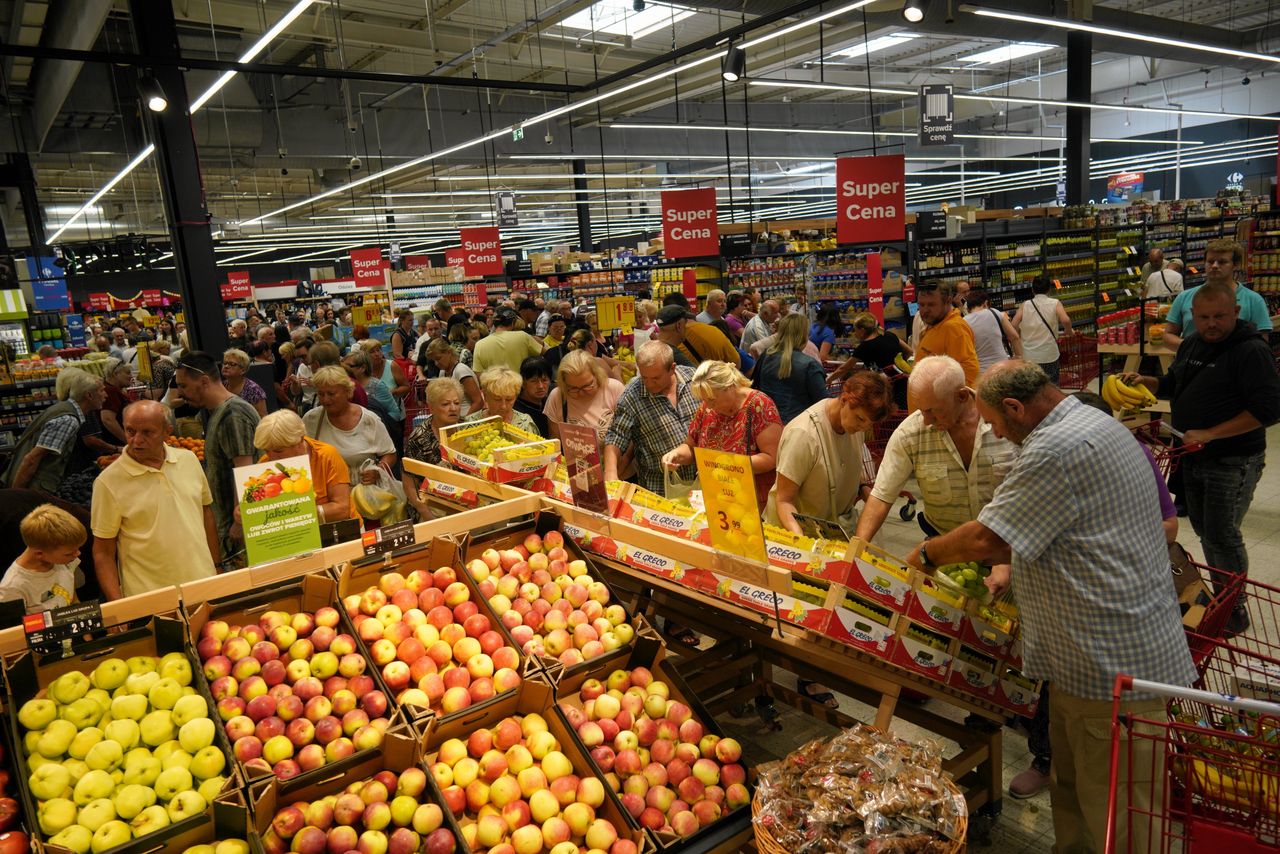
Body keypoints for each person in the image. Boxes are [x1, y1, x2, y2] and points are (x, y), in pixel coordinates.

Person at [906, 361, 1196, 853]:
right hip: (1082, 663)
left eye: (996, 422)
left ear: (1017, 408)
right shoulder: (1092, 422)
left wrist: (927, 554)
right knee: (1076, 792)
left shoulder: (1056, 449)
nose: (995, 431)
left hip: (1111, 666)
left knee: (1117, 809)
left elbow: (989, 537)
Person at [1125, 281, 1280, 635]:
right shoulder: (1192, 343)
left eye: (1220, 316)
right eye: (1204, 317)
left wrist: (1210, 434)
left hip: (1233, 460)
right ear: (1192, 316)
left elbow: (1269, 409)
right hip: (1192, 457)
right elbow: (1173, 384)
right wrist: (1145, 381)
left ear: (1236, 312)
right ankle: (1218, 599)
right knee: (1204, 531)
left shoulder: (1250, 351)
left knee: (1222, 536)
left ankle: (1235, 609)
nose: (1212, 323)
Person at [856, 355, 1019, 568]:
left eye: (932, 410)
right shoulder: (910, 433)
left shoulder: (1009, 423)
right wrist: (857, 549)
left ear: (961, 396)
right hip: (946, 555)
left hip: (1010, 553)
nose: (926, 420)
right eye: (921, 410)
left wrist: (1006, 561)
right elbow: (881, 497)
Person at [91, 400, 218, 599]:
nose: (136, 440)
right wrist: (119, 606)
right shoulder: (108, 482)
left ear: (167, 432)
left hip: (203, 585)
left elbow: (206, 514)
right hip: (150, 598)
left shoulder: (188, 460)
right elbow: (103, 552)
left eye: (147, 432)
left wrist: (217, 568)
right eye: (130, 431)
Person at [766, 370, 891, 535]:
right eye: (860, 419)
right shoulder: (803, 434)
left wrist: (865, 490)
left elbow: (844, 464)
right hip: (795, 534)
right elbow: (783, 500)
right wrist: (800, 539)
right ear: (844, 399)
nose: (863, 428)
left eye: (869, 424)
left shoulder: (855, 427)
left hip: (833, 531)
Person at [660, 360, 782, 511]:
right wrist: (676, 455)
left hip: (752, 504)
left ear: (730, 387)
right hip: (717, 500)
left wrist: (727, 464)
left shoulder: (759, 405)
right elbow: (691, 447)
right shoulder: (708, 407)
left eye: (712, 400)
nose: (708, 405)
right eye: (704, 400)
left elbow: (772, 458)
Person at [174, 352, 260, 564]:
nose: (180, 393)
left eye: (183, 386)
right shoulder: (221, 411)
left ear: (204, 381)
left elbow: (245, 472)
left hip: (239, 531)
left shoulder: (234, 414)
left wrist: (241, 522)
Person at [604, 341, 699, 494]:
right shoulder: (632, 396)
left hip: (702, 483)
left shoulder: (693, 378)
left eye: (655, 378)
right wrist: (610, 473)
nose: (648, 383)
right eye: (644, 377)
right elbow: (615, 436)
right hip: (660, 489)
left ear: (672, 368)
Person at [3, 370, 105, 492]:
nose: (106, 395)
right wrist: (16, 494)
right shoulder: (68, 420)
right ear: (89, 395)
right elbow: (31, 460)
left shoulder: (63, 409)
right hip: (35, 489)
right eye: (101, 390)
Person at [1162, 239, 1272, 348]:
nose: (1214, 266)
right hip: (1193, 364)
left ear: (1236, 265)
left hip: (1235, 365)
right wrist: (1193, 349)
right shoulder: (1184, 297)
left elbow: (1261, 344)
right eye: (1210, 261)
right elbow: (1168, 335)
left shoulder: (1253, 300)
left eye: (1222, 262)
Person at [303, 366, 397, 488]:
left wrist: (378, 471)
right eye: (321, 394)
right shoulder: (311, 419)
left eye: (331, 394)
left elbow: (390, 453)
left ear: (347, 391)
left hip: (364, 493)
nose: (325, 400)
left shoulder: (369, 420)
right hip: (326, 492)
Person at [254, 410, 352, 525]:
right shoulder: (264, 464)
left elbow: (342, 510)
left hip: (339, 532)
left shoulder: (326, 456)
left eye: (278, 450)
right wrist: (246, 514)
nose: (271, 457)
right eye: (266, 450)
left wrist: (294, 514)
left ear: (299, 441)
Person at [401, 377, 466, 520]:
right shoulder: (419, 437)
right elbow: (409, 483)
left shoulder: (467, 429)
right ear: (431, 407)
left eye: (456, 403)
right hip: (432, 505)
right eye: (445, 404)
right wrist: (424, 511)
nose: (453, 408)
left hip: (465, 501)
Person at [0, 504, 85, 613]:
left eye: (77, 548)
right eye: (69, 553)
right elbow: (15, 629)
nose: (78, 554)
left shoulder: (65, 560)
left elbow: (73, 601)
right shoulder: (12, 588)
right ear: (40, 553)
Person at [911, 280, 979, 411]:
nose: (924, 310)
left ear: (948, 301)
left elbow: (968, 374)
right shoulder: (935, 325)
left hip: (940, 417)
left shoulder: (954, 329)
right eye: (921, 304)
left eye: (931, 304)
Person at [754, 313, 827, 423]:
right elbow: (823, 402)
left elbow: (756, 387)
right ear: (803, 336)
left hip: (766, 422)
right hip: (797, 427)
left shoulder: (766, 356)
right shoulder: (810, 365)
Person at [544, 350, 626, 444]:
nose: (581, 393)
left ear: (596, 375)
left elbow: (629, 435)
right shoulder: (557, 396)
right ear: (564, 383)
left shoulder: (614, 389)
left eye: (587, 386)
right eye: (573, 388)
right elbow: (555, 443)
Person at [1012, 275, 1070, 384]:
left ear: (1033, 290)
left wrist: (1019, 337)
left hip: (1029, 356)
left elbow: (1013, 324)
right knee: (1051, 387)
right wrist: (1068, 331)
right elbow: (1066, 320)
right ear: (1049, 289)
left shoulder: (1025, 305)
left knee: (1031, 388)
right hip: (1049, 355)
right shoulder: (1055, 303)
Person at [659, 296, 740, 368]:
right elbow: (736, 363)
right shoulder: (714, 331)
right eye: (719, 301)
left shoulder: (658, 351)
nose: (723, 304)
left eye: (724, 301)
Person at [832, 313, 914, 379]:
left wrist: (828, 380)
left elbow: (843, 369)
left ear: (862, 331)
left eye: (855, 330)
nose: (854, 333)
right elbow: (910, 351)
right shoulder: (890, 335)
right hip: (903, 380)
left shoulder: (864, 346)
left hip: (885, 387)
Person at [466, 367, 539, 434]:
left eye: (509, 399)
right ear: (485, 397)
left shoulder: (525, 424)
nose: (503, 406)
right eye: (497, 399)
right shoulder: (471, 424)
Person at [964, 289, 1022, 375]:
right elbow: (1014, 337)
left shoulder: (964, 322)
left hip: (981, 372)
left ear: (968, 308)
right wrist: (1019, 359)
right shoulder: (995, 312)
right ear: (986, 303)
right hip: (1002, 367)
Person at [473, 307, 542, 375]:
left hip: (493, 385)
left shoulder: (480, 344)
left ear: (494, 323)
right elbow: (546, 353)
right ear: (513, 322)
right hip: (519, 384)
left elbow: (478, 373)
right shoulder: (523, 336)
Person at [424, 337, 483, 417]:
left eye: (438, 358)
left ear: (449, 352)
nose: (436, 363)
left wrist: (464, 421)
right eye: (434, 360)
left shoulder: (461, 371)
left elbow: (478, 401)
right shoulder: (442, 372)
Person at [221, 349, 268, 417]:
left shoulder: (253, 389)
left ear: (243, 370)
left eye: (232, 364)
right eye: (225, 363)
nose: (226, 366)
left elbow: (263, 418)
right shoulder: (222, 386)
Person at [100, 357, 133, 444]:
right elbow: (108, 420)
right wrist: (128, 440)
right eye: (128, 373)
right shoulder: (110, 391)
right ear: (115, 374)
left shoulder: (113, 389)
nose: (131, 376)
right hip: (116, 442)